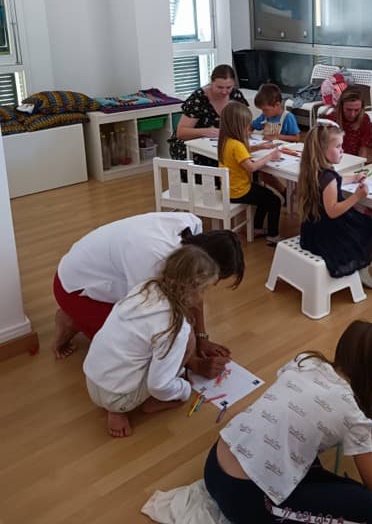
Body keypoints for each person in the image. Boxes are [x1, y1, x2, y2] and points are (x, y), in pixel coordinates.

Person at [204, 320, 372, 524]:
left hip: (214, 464)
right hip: (242, 497)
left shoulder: (305, 361)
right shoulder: (352, 415)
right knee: (370, 509)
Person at [52, 212, 244, 378]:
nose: (212, 286)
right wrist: (191, 361)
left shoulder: (193, 229)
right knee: (136, 351)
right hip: (72, 288)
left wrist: (201, 337)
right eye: (214, 280)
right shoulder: (154, 260)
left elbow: (195, 294)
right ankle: (71, 318)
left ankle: (79, 317)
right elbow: (151, 319)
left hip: (94, 270)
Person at [83, 244, 219, 438]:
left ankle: (116, 404)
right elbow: (158, 385)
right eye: (204, 290)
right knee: (185, 345)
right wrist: (184, 389)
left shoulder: (144, 288)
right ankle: (120, 409)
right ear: (192, 289)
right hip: (117, 397)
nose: (203, 298)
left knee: (147, 350)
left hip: (91, 376)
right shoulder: (175, 327)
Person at [298, 122, 372, 289]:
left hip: (312, 229)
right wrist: (357, 197)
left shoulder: (314, 170)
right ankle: (362, 267)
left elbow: (334, 181)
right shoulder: (328, 177)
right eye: (338, 146)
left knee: (363, 224)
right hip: (328, 232)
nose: (342, 150)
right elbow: (333, 211)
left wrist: (353, 178)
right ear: (322, 150)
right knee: (369, 226)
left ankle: (362, 265)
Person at [218, 101, 282, 246]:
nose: (250, 130)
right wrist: (270, 156)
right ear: (238, 127)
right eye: (247, 127)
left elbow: (241, 153)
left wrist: (260, 146)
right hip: (240, 191)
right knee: (274, 200)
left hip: (230, 189)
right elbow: (252, 167)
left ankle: (257, 228)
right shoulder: (237, 145)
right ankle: (273, 236)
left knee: (267, 197)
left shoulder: (226, 141)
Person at [169, 64, 248, 163]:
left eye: (228, 87)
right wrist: (206, 132)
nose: (224, 91)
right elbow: (181, 133)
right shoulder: (198, 98)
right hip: (191, 145)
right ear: (212, 82)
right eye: (219, 87)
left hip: (223, 142)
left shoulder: (235, 95)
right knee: (215, 163)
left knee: (245, 158)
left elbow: (245, 122)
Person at [327, 86, 372, 158]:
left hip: (355, 159)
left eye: (357, 110)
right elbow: (326, 148)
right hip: (335, 158)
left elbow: (364, 148)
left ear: (362, 108)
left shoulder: (364, 119)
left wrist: (360, 165)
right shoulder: (331, 119)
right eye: (348, 110)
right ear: (341, 106)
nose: (352, 114)